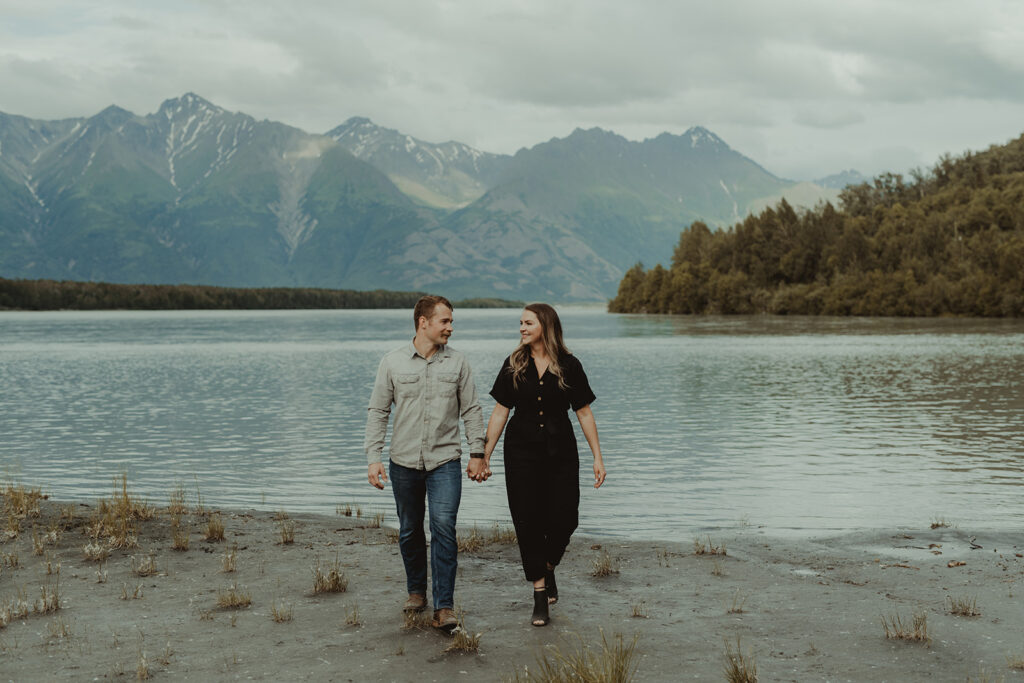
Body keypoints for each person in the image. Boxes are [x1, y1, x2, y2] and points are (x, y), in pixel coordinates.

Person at [470, 303, 606, 627]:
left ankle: (547, 565)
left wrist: (597, 456)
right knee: (527, 520)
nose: (521, 328)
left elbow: (584, 412)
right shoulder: (514, 364)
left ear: (545, 325)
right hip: (521, 453)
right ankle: (539, 594)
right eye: (520, 323)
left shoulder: (570, 365)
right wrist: (484, 454)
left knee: (566, 517)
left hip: (562, 452)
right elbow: (501, 411)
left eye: (527, 322)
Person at [364, 295, 485, 633]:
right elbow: (378, 412)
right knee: (409, 529)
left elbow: (472, 410)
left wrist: (477, 453)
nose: (450, 327)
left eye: (451, 321)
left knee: (444, 526)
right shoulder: (392, 362)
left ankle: (444, 607)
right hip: (403, 461)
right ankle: (416, 591)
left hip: (445, 459)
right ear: (423, 323)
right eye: (444, 321)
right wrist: (373, 458)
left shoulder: (458, 363)